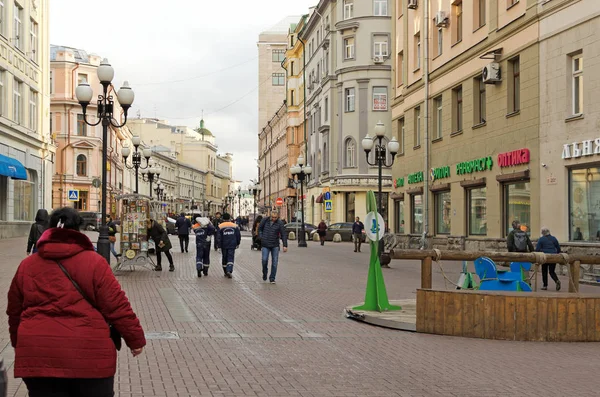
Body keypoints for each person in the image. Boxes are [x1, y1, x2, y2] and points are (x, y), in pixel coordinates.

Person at [7, 207, 145, 397]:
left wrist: (19, 343)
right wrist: (135, 340)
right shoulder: (94, 262)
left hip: (39, 356)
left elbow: (14, 311)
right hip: (89, 359)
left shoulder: (27, 265)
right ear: (78, 229)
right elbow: (116, 305)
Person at [259, 211, 288, 284]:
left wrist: (285, 245)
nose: (274, 219)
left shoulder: (280, 223)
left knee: (274, 262)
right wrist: (261, 237)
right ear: (270, 216)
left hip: (275, 245)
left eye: (275, 217)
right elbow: (260, 229)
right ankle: (265, 273)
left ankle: (272, 278)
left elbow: (283, 234)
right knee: (264, 260)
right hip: (265, 244)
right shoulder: (265, 220)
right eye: (273, 217)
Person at [217, 213, 241, 278]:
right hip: (232, 244)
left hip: (224, 244)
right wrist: (238, 243)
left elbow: (219, 237)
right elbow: (238, 235)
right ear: (229, 218)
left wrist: (219, 246)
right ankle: (229, 270)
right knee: (230, 257)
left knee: (224, 258)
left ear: (223, 218)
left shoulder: (220, 226)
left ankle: (225, 271)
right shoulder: (235, 225)